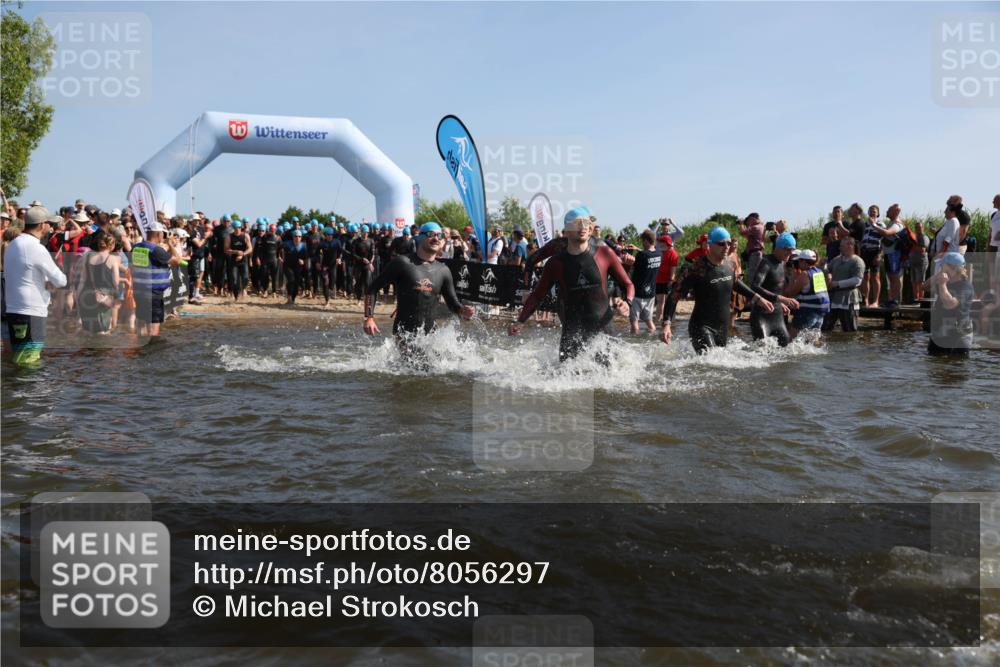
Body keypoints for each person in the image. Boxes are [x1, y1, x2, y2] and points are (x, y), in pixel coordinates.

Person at [510, 207, 635, 362]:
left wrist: (627, 302)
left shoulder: (603, 252)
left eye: (586, 223)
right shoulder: (555, 262)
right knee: (566, 378)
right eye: (577, 224)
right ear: (567, 231)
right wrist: (520, 321)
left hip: (604, 329)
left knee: (611, 378)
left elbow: (628, 283)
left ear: (590, 229)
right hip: (572, 329)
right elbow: (537, 295)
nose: (582, 227)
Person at [659, 226, 773, 353]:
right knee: (710, 364)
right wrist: (667, 325)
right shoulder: (695, 269)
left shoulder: (730, 264)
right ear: (710, 245)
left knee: (720, 366)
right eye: (721, 244)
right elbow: (674, 296)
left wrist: (758, 298)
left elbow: (735, 282)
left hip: (722, 327)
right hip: (701, 326)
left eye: (729, 243)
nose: (726, 247)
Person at [363, 221, 474, 341]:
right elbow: (372, 289)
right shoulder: (403, 263)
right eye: (431, 234)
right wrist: (369, 317)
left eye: (440, 236)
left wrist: (462, 310)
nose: (436, 238)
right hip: (404, 335)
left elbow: (452, 303)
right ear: (421, 237)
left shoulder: (443, 270)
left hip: (430, 337)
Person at [3, 206, 67, 366]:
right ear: (41, 225)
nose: (51, 227)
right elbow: (60, 281)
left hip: (13, 309)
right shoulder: (36, 248)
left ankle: (17, 388)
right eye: (49, 224)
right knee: (29, 361)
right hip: (32, 312)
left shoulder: (13, 244)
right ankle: (28, 390)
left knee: (19, 358)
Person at [746, 232, 800, 346]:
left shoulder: (782, 263)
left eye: (792, 250)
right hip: (761, 317)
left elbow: (774, 287)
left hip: (777, 317)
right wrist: (780, 298)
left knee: (787, 352)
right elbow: (755, 286)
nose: (790, 253)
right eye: (787, 249)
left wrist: (780, 304)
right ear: (778, 247)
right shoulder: (766, 262)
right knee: (762, 353)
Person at [132, 221, 183, 338]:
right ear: (158, 234)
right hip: (153, 292)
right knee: (154, 324)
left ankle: (140, 349)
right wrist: (170, 244)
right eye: (163, 234)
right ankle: (152, 350)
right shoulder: (156, 250)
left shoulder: (136, 247)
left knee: (141, 321)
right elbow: (177, 260)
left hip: (139, 290)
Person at [927, 252, 975, 356]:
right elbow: (925, 286)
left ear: (952, 267)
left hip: (958, 335)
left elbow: (950, 304)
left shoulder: (965, 286)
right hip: (940, 331)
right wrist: (936, 278)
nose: (940, 266)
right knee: (933, 365)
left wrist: (942, 284)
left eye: (942, 264)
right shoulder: (946, 281)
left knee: (956, 368)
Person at [78, 231, 120, 334]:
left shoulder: (87, 256)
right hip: (103, 296)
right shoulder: (113, 259)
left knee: (87, 331)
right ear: (111, 245)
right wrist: (115, 297)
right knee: (103, 332)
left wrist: (78, 297)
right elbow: (116, 282)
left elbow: (82, 280)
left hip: (86, 294)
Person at [822, 237, 865, 332]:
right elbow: (828, 270)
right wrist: (824, 267)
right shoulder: (837, 259)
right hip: (834, 298)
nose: (839, 248)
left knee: (850, 331)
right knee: (825, 329)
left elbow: (857, 280)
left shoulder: (857, 261)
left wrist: (838, 283)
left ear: (850, 246)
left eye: (842, 246)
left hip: (849, 299)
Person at [783, 249, 829, 340]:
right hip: (820, 312)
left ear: (803, 261)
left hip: (808, 312)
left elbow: (790, 293)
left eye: (799, 261)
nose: (797, 263)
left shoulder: (805, 274)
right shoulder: (819, 272)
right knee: (812, 342)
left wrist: (792, 276)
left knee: (790, 339)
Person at [628, 230, 661, 335]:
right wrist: (638, 250)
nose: (642, 243)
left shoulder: (642, 255)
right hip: (651, 293)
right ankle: (654, 341)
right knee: (649, 320)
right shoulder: (659, 254)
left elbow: (632, 267)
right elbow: (648, 255)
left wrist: (626, 261)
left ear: (646, 240)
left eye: (642, 240)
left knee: (634, 322)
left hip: (637, 293)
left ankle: (634, 343)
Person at [858, 205, 886, 307]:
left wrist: (880, 255)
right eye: (870, 211)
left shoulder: (880, 224)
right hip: (865, 252)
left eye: (874, 211)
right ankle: (865, 300)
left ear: (878, 213)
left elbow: (884, 240)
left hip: (875, 252)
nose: (872, 213)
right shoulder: (865, 224)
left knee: (875, 277)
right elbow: (861, 241)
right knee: (865, 277)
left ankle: (876, 301)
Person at [879, 204, 905, 307]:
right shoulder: (891, 222)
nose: (887, 211)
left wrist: (873, 225)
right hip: (888, 254)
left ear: (895, 212)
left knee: (895, 277)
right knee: (891, 277)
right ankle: (892, 299)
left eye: (889, 210)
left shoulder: (897, 224)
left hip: (894, 254)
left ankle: (896, 300)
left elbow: (887, 233)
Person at [653, 234, 680, 322]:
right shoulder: (659, 253)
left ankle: (670, 321)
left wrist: (671, 280)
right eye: (659, 241)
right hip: (659, 281)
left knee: (670, 303)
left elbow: (673, 268)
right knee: (660, 302)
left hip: (669, 282)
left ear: (667, 243)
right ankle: (658, 321)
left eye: (661, 242)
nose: (659, 243)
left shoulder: (673, 253)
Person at [224, 219, 252, 301]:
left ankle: (243, 289)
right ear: (233, 228)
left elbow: (250, 248)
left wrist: (242, 254)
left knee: (246, 278)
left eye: (239, 227)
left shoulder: (246, 236)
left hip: (243, 260)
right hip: (234, 260)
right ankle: (236, 297)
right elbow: (226, 250)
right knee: (235, 279)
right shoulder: (229, 237)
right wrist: (236, 252)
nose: (238, 229)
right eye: (236, 228)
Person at [908, 221, 931, 302]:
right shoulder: (915, 237)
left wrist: (910, 247)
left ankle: (921, 300)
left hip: (921, 262)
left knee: (920, 281)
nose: (918, 229)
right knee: (914, 281)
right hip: (913, 262)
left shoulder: (924, 237)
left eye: (920, 227)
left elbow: (922, 249)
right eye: (917, 228)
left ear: (923, 228)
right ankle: (916, 299)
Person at [738, 212, 765, 278]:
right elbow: (747, 236)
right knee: (756, 274)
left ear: (753, 219)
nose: (748, 222)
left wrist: (741, 223)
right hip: (758, 253)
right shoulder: (761, 226)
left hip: (755, 254)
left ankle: (752, 288)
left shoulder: (755, 227)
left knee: (752, 275)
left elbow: (742, 233)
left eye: (749, 220)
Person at [989, 194, 1000, 289]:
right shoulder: (994, 215)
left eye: (994, 200)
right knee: (993, 274)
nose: (992, 202)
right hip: (993, 247)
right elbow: (991, 231)